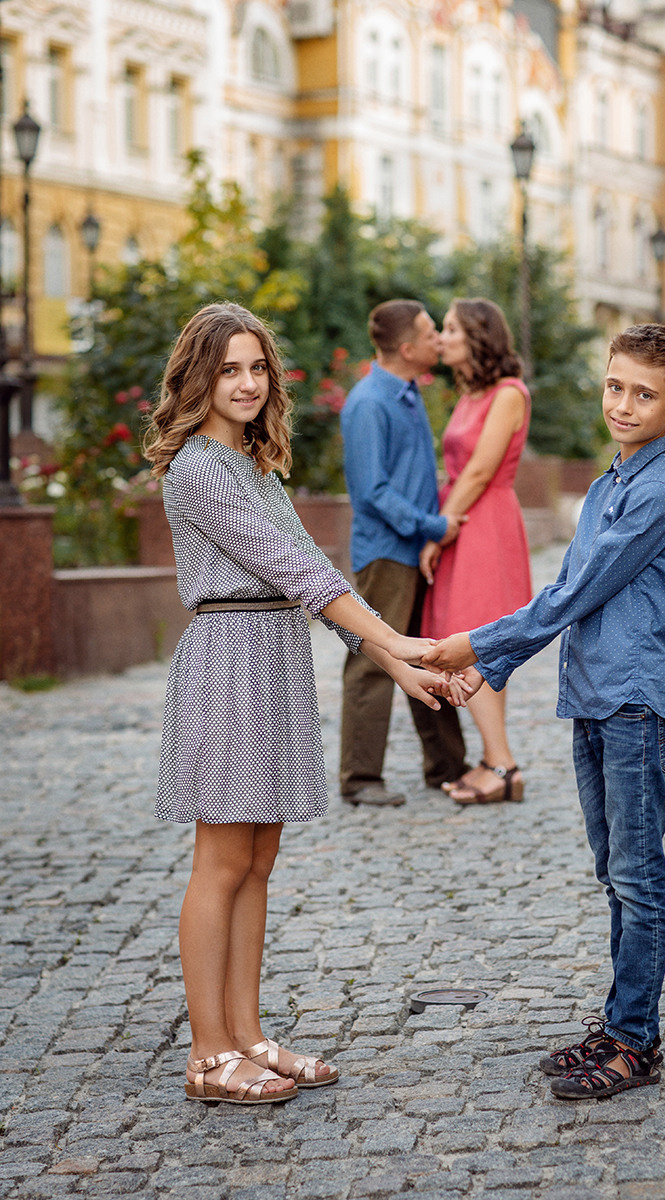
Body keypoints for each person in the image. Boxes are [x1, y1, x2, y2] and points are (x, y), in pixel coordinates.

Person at [142, 302, 467, 1105]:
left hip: (274, 655)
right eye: (229, 370)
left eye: (257, 368)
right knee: (219, 862)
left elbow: (311, 578)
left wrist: (395, 664)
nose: (247, 384)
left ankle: (248, 1032)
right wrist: (404, 644)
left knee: (258, 859)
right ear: (199, 378)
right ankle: (208, 1053)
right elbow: (301, 571)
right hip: (228, 661)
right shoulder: (195, 468)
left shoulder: (255, 465)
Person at [420, 323, 665, 1099]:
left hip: (638, 701)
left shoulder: (662, 489)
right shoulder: (611, 483)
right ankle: (619, 1023)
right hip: (598, 696)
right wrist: (494, 662)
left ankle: (635, 1043)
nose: (624, 403)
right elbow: (566, 594)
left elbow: (579, 592)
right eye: (616, 386)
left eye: (645, 394)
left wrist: (475, 646)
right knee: (616, 873)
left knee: (638, 878)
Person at [339, 299, 469, 807]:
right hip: (387, 553)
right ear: (409, 347)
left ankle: (447, 765)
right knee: (374, 659)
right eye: (431, 331)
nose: (440, 337)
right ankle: (361, 779)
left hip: (413, 550)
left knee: (430, 653)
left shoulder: (409, 393)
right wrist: (435, 525)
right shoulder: (369, 402)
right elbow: (372, 492)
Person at [419, 298, 532, 805]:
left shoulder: (509, 393)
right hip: (464, 520)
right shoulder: (469, 395)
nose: (441, 337)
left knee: (479, 642)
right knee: (460, 642)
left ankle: (503, 765)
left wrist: (439, 531)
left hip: (484, 525)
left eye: (450, 328)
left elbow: (482, 470)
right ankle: (494, 760)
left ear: (478, 336)